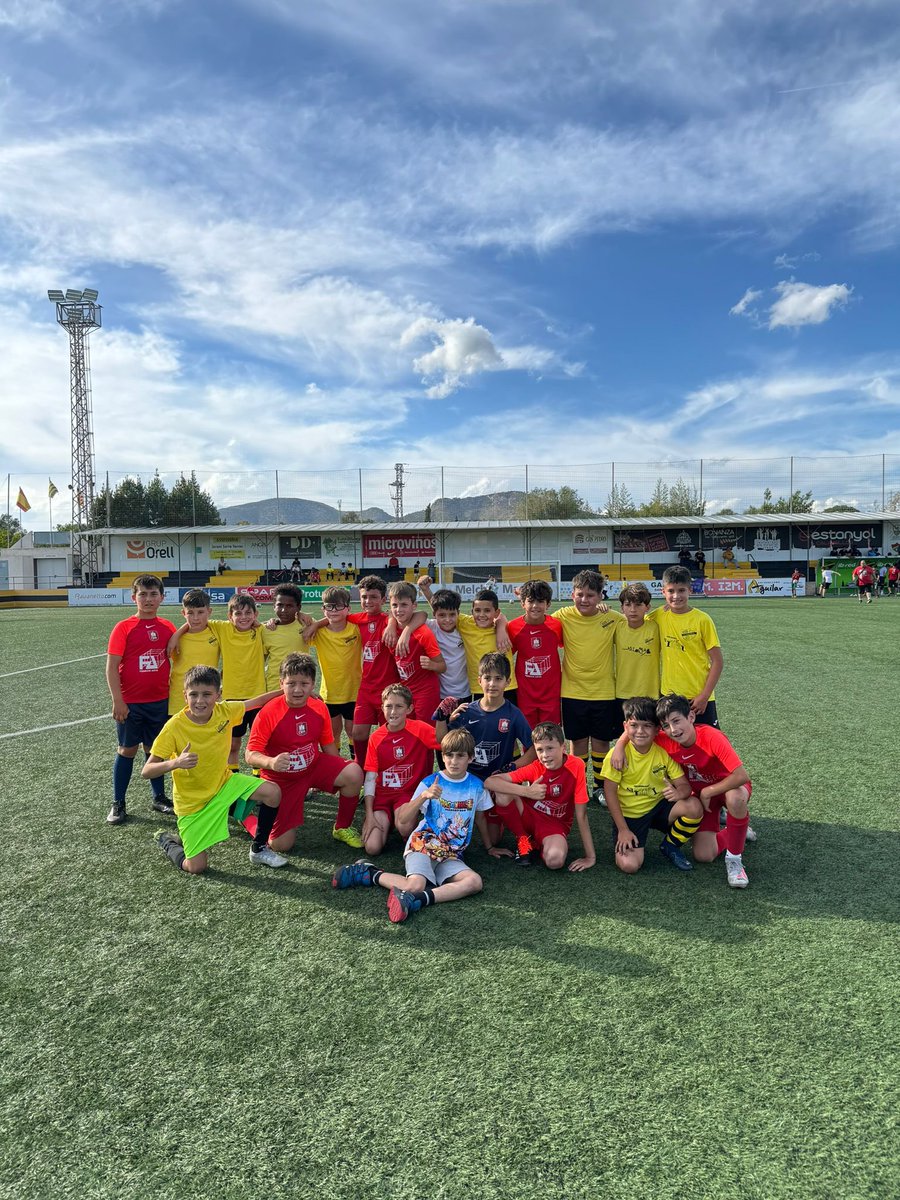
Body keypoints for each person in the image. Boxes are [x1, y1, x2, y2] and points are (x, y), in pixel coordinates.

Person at [331, 728, 493, 923]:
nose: (454, 761)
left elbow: (481, 818)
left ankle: (419, 900)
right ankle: (369, 872)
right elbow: (405, 818)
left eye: (460, 756)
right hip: (423, 844)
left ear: (471, 758)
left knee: (474, 882)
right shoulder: (430, 782)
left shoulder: (476, 786)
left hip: (451, 852)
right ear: (442, 756)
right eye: (449, 755)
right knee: (415, 884)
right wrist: (423, 797)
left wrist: (490, 847)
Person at [145, 666, 286, 873]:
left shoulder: (225, 711)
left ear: (218, 695)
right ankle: (167, 841)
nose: (200, 701)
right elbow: (147, 771)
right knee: (196, 867)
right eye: (193, 694)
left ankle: (259, 848)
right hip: (192, 804)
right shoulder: (174, 727)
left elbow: (257, 702)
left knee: (273, 792)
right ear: (185, 695)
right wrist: (175, 763)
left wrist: (289, 691)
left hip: (224, 785)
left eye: (207, 694)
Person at [610, 693, 753, 888]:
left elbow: (741, 776)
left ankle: (735, 860)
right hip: (702, 799)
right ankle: (737, 830)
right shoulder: (664, 738)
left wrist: (708, 791)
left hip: (726, 788)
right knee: (704, 855)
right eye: (667, 725)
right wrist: (619, 745)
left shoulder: (712, 737)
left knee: (736, 798)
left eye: (677, 721)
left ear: (691, 717)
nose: (673, 730)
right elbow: (637, 726)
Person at [244, 653, 364, 851]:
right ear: (281, 683)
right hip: (282, 780)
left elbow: (328, 745)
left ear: (313, 684)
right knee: (281, 845)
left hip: (313, 767)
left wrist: (337, 774)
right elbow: (250, 754)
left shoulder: (318, 706)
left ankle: (342, 827)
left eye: (304, 683)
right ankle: (247, 818)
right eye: (291, 683)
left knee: (353, 772)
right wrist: (271, 762)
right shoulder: (269, 712)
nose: (298, 690)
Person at [105, 574, 177, 825]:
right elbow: (112, 667)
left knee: (155, 750)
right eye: (143, 594)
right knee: (127, 750)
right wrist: (118, 700)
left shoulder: (168, 627)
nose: (148, 599)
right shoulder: (123, 627)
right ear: (133, 597)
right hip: (131, 703)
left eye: (153, 594)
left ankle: (159, 797)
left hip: (160, 701)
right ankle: (118, 802)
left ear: (162, 598)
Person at [599, 696, 700, 874]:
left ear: (656, 730)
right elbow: (610, 793)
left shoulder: (664, 752)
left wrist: (679, 794)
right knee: (629, 865)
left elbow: (684, 786)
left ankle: (670, 845)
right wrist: (623, 830)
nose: (640, 731)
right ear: (625, 727)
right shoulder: (617, 756)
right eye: (634, 725)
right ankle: (627, 834)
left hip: (658, 806)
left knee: (693, 806)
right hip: (631, 816)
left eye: (647, 726)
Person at [170, 593, 266, 770]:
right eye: (238, 613)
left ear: (255, 615)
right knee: (232, 743)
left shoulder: (261, 631)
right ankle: (233, 776)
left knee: (258, 742)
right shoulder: (222, 628)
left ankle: (258, 776)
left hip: (257, 694)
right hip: (231, 697)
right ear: (230, 616)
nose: (243, 617)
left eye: (248, 613)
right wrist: (176, 635)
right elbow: (194, 621)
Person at [484, 721, 596, 871]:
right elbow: (490, 782)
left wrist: (590, 857)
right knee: (503, 791)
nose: (545, 755)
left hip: (555, 825)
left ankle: (538, 845)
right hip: (528, 817)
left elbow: (581, 814)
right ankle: (523, 839)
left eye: (550, 748)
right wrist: (527, 792)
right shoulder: (535, 767)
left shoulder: (576, 766)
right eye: (540, 750)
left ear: (564, 747)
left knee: (555, 861)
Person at [553, 568, 623, 797]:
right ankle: (580, 785)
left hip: (604, 692)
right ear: (572, 593)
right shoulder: (562, 616)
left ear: (601, 596)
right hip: (572, 691)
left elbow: (637, 623)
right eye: (580, 594)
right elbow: (534, 622)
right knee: (578, 742)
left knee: (602, 743)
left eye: (591, 595)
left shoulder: (612, 618)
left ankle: (600, 788)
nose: (584, 600)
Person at [361, 684, 440, 856]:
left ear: (409, 708)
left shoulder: (420, 729)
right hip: (382, 796)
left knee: (404, 827)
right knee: (372, 848)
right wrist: (369, 814)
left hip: (407, 794)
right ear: (382, 707)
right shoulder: (376, 738)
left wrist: (448, 720)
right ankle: (385, 822)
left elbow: (447, 743)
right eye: (388, 706)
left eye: (399, 706)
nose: (393, 711)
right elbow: (370, 778)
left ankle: (403, 823)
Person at [645, 565, 723, 728]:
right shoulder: (659, 615)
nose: (676, 596)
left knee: (708, 745)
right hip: (669, 696)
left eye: (681, 590)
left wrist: (705, 695)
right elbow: (633, 618)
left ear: (690, 590)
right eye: (671, 591)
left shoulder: (702, 620)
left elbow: (717, 661)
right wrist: (603, 609)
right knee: (672, 746)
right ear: (663, 592)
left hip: (699, 697)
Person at [440, 653, 534, 784]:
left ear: (508, 682)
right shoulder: (466, 711)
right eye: (487, 678)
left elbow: (533, 748)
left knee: (503, 800)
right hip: (468, 779)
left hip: (499, 779)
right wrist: (441, 718)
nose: (492, 684)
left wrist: (513, 766)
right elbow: (443, 741)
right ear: (479, 681)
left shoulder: (513, 714)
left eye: (498, 678)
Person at [339, 575, 400, 767]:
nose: (368, 601)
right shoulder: (358, 619)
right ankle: (362, 768)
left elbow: (417, 615)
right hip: (366, 688)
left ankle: (386, 768)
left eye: (373, 597)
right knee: (358, 733)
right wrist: (315, 624)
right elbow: (338, 617)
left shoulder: (390, 620)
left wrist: (391, 623)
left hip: (389, 689)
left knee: (388, 733)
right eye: (364, 597)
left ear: (383, 600)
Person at [417, 579, 511, 700]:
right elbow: (423, 612)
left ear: (458, 614)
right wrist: (425, 590)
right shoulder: (433, 626)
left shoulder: (464, 626)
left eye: (452, 615)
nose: (447, 620)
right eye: (442, 616)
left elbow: (500, 617)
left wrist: (501, 628)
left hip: (465, 693)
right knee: (440, 719)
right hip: (439, 692)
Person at [304, 587, 362, 746]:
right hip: (329, 694)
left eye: (338, 606)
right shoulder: (318, 632)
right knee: (332, 733)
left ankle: (356, 766)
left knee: (353, 732)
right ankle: (336, 768)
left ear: (348, 608)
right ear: (323, 609)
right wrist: (314, 624)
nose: (333, 610)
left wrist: (316, 623)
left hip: (354, 692)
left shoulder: (356, 628)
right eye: (329, 606)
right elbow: (300, 627)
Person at [506, 579, 563, 728]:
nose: (535, 606)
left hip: (551, 694)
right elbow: (506, 655)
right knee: (529, 738)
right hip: (525, 694)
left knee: (551, 736)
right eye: (531, 601)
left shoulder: (556, 625)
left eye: (540, 601)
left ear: (548, 604)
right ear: (522, 603)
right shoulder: (513, 627)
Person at [387, 581, 446, 724]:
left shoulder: (423, 633)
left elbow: (442, 666)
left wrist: (431, 665)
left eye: (404, 605)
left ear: (414, 605)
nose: (398, 610)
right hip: (404, 692)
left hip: (425, 692)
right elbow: (391, 615)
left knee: (425, 730)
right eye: (395, 605)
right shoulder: (389, 629)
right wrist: (390, 624)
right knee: (407, 730)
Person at [166, 589, 221, 717]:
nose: (195, 618)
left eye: (200, 612)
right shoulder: (175, 638)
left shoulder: (217, 632)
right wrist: (177, 635)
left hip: (206, 698)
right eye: (190, 613)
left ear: (209, 611)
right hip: (178, 698)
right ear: (183, 613)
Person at [260, 584, 315, 690]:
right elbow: (260, 660)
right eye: (280, 605)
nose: (284, 610)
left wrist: (303, 616)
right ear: (273, 606)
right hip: (273, 687)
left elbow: (329, 622)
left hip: (300, 686)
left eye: (289, 606)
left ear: (298, 607)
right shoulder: (266, 629)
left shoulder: (306, 624)